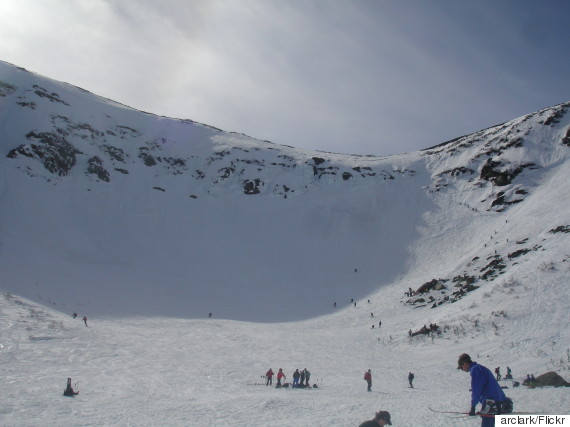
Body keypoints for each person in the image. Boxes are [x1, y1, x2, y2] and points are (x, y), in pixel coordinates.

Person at [458, 353, 513, 427]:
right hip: (499, 401)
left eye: (461, 367)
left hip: (490, 402)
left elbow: (476, 389)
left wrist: (473, 407)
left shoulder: (475, 370)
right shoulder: (481, 368)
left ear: (465, 363)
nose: (462, 369)